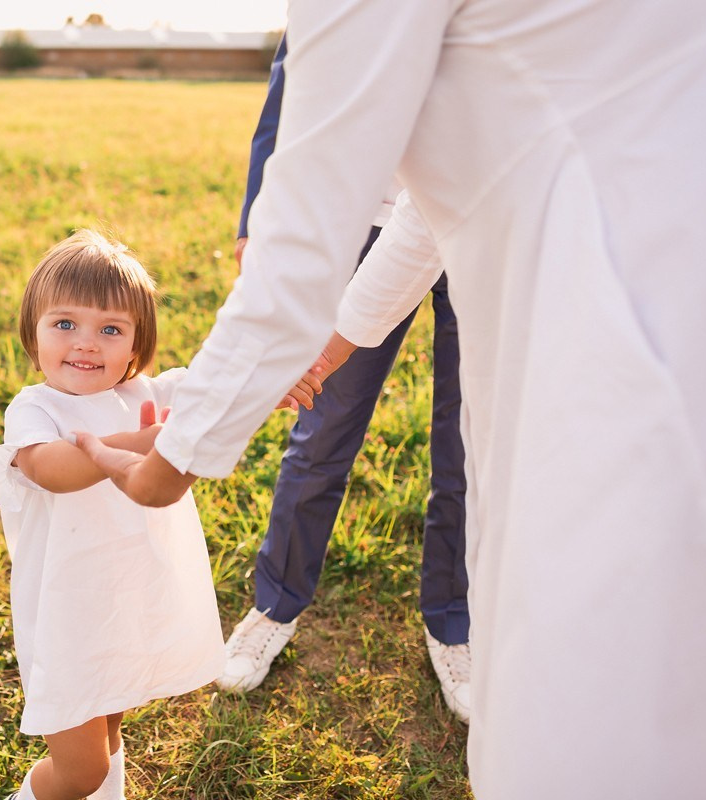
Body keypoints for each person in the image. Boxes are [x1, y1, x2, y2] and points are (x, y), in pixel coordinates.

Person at [74, 2, 706, 798]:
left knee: (604, 679)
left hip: (618, 327)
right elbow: (424, 223)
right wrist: (327, 353)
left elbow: (298, 253)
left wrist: (175, 459)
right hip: (674, 279)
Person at [220, 32, 472, 724]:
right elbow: (293, 74)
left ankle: (454, 620)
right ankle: (274, 604)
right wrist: (255, 217)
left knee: (470, 441)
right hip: (366, 218)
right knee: (324, 423)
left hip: (477, 218)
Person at [0, 231, 224, 800]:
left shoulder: (150, 392)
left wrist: (273, 385)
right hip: (65, 614)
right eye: (65, 324)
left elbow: (220, 387)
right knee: (79, 770)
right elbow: (52, 469)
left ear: (136, 346)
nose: (86, 344)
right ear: (34, 331)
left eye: (110, 329)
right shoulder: (35, 410)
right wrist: (139, 441)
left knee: (112, 721)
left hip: (122, 602)